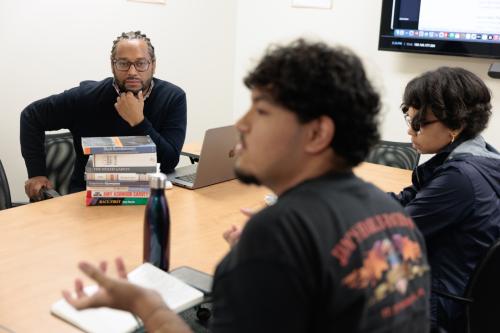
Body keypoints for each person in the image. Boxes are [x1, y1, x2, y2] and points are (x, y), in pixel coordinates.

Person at [63, 39, 430, 332]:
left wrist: (145, 305)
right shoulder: (390, 212)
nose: (243, 122)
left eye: (262, 111)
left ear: (317, 133)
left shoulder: (276, 235)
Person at [390, 67, 500, 332]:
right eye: (409, 120)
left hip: (438, 305)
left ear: (456, 124)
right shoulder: (480, 156)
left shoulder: (460, 178)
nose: (410, 132)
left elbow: (393, 233)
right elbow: (409, 199)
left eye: (418, 124)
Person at [20, 31, 187, 199]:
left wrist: (138, 121)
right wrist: (36, 173)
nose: (132, 72)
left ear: (153, 65)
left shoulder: (173, 98)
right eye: (123, 63)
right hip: (88, 198)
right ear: (112, 65)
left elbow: (169, 161)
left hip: (149, 196)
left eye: (141, 63)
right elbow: (31, 116)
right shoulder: (85, 97)